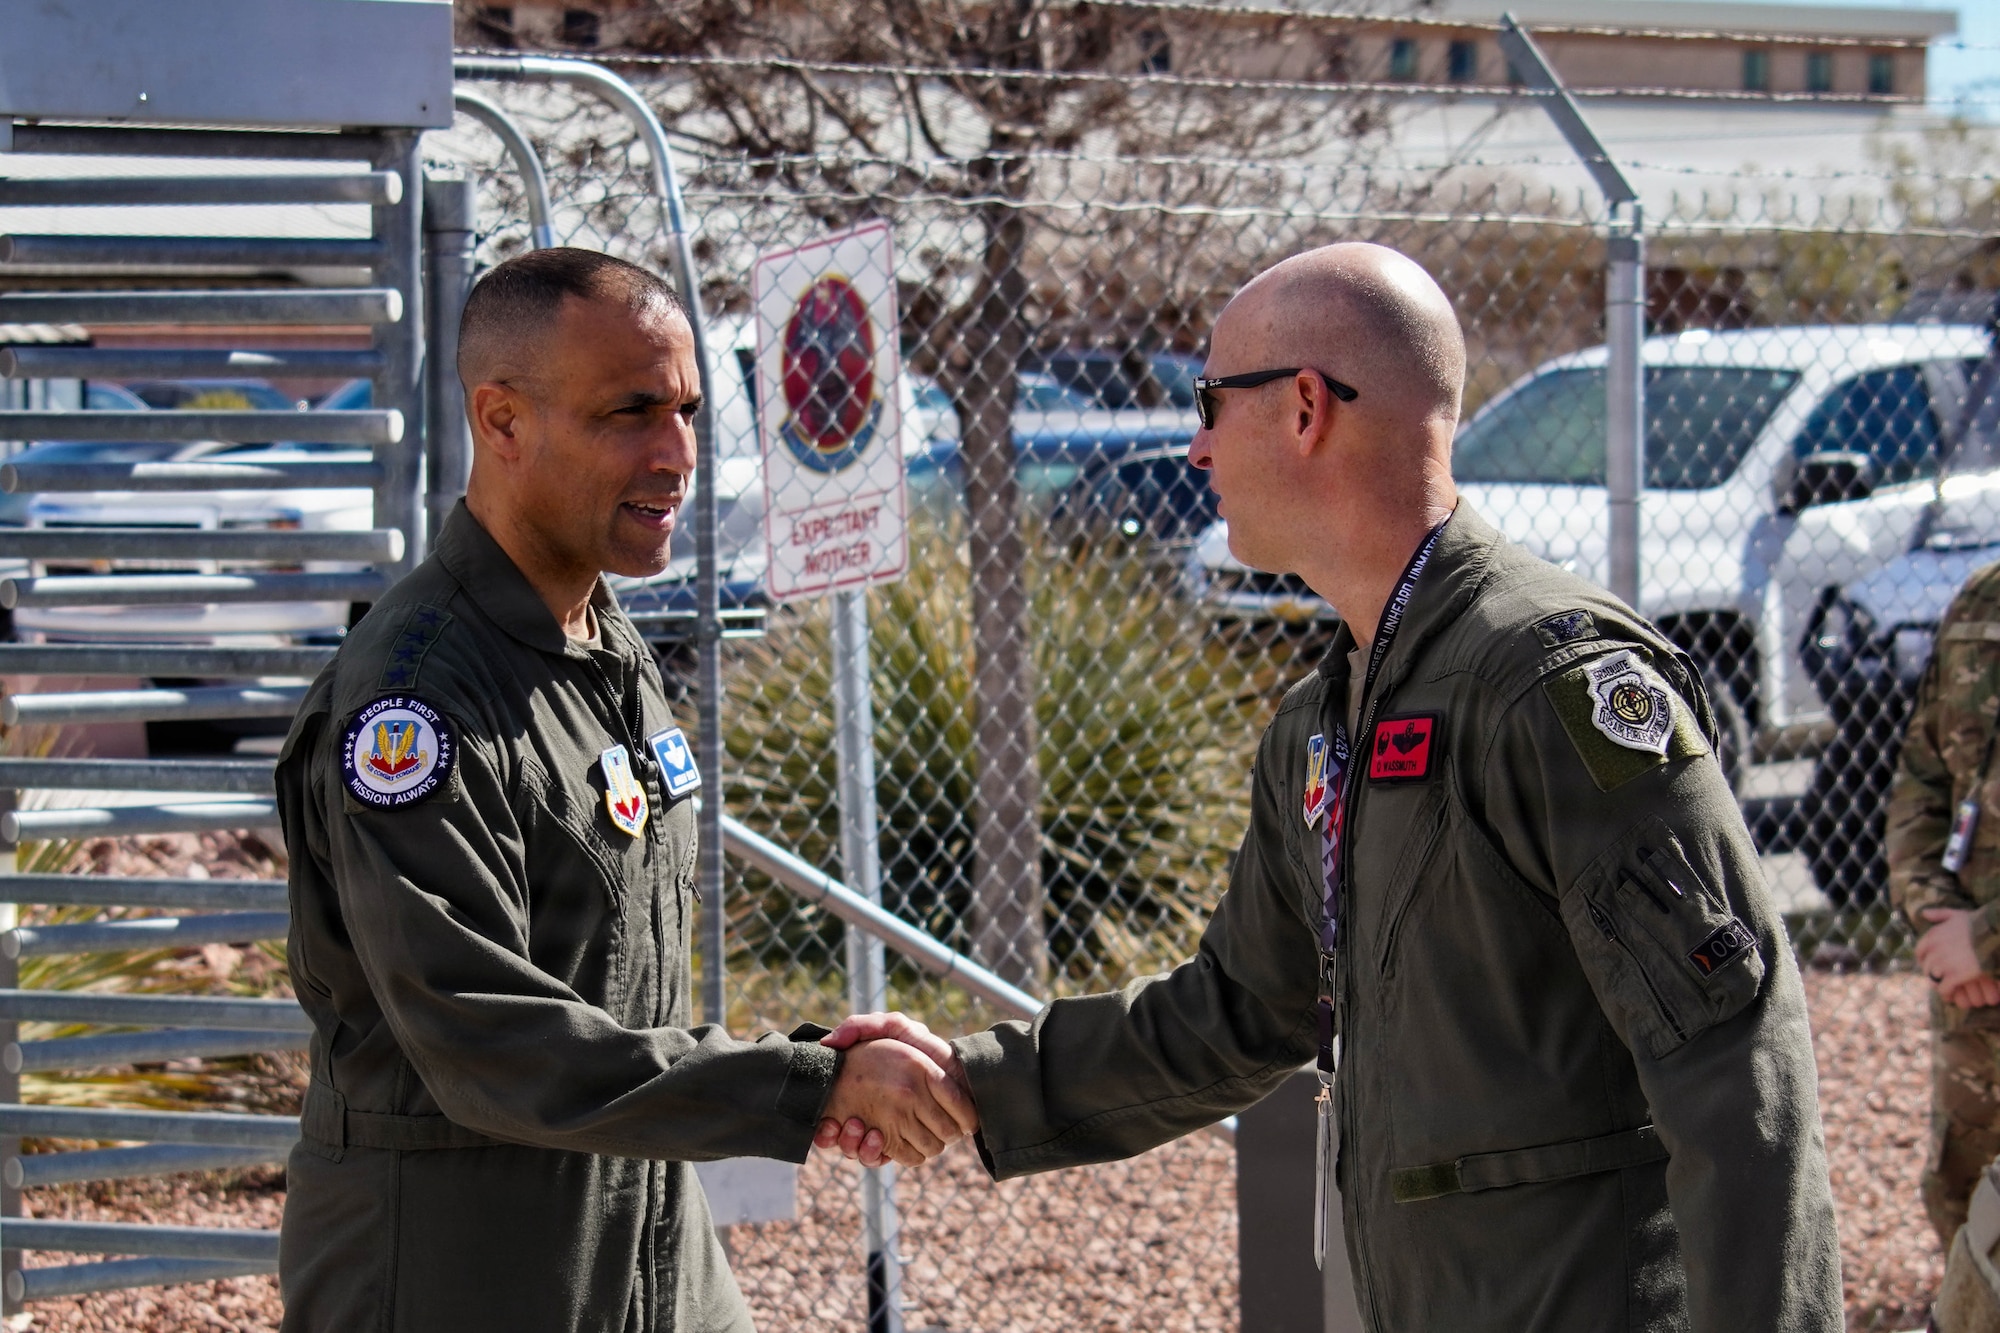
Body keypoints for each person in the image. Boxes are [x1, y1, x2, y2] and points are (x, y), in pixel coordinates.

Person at [821, 242, 1843, 1331]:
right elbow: (1234, 1012)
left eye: (1213, 401)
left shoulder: (1546, 683)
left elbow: (1736, 1074)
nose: (1195, 441)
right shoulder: (1324, 719)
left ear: (1305, 406)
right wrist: (966, 1084)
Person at [273, 247, 975, 1333]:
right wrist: (801, 1086)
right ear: (501, 422)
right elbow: (487, 1038)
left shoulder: (605, 646)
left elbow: (607, 997)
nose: (679, 453)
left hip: (646, 1249)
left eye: (689, 409)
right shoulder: (413, 705)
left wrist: (808, 1061)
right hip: (463, 1274)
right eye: (630, 412)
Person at [1887, 559, 2000, 1251]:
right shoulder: (1984, 598)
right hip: (1973, 1014)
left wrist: (1986, 941)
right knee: (1973, 1238)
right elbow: (1922, 777)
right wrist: (1935, 921)